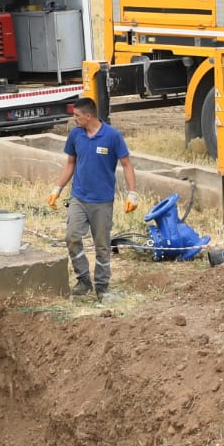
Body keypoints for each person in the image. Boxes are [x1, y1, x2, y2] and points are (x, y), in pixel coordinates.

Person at [48, 97, 137, 299]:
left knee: (102, 246)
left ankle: (102, 287)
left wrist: (132, 193)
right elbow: (70, 163)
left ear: (89, 116)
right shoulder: (75, 135)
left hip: (102, 202)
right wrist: (57, 189)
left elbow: (126, 165)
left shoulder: (112, 136)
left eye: (77, 115)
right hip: (79, 197)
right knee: (71, 237)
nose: (74, 119)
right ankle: (83, 280)